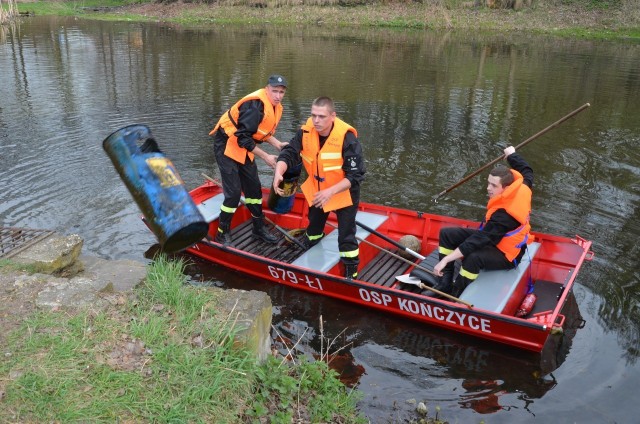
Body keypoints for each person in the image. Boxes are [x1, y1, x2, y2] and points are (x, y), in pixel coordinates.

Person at [273, 97, 366, 280]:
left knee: (346, 234)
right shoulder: (306, 131)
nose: (316, 121)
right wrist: (279, 171)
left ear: (333, 116)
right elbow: (290, 152)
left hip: (343, 193)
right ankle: (312, 249)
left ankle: (351, 272)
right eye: (313, 115)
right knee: (313, 226)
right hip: (317, 189)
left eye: (321, 116)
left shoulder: (347, 139)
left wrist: (329, 192)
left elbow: (356, 176)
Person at [432, 145, 533, 298]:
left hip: (507, 254)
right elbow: (527, 171)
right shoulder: (522, 186)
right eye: (488, 183)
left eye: (493, 185)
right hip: (495, 238)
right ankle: (445, 283)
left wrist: (446, 259)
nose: (488, 188)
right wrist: (512, 155)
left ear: (506, 188)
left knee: (473, 258)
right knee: (447, 234)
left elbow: (478, 240)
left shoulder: (505, 216)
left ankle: (455, 294)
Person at [210, 75, 289, 246]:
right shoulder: (255, 106)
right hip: (227, 144)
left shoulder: (274, 107)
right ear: (267, 89)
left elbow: (261, 131)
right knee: (233, 195)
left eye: (281, 92)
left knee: (254, 190)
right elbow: (243, 139)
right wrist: (266, 156)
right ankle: (222, 233)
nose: (278, 95)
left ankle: (258, 229)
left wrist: (277, 144)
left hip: (243, 145)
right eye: (274, 91)